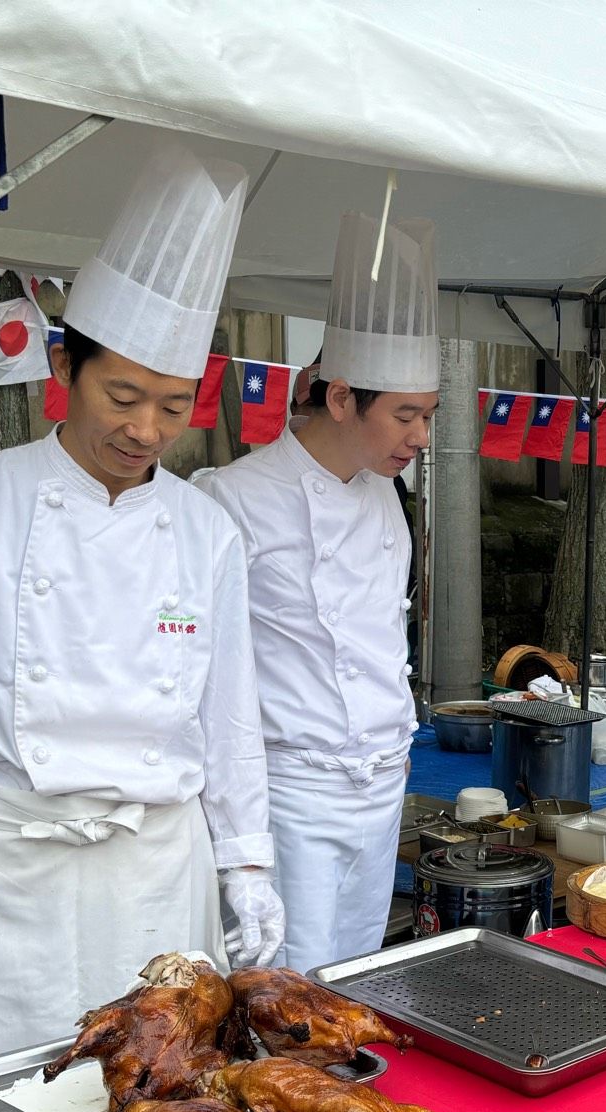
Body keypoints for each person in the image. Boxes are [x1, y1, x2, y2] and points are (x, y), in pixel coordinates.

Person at [0, 147, 282, 1062]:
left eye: (173, 408)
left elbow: (229, 710)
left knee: (161, 1100)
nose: (145, 431)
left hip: (161, 868)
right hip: (12, 868)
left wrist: (247, 863)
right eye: (122, 396)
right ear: (64, 364)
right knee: (18, 1100)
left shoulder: (205, 528)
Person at [195, 213, 434, 969]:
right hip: (289, 788)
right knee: (284, 992)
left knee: (357, 978)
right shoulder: (231, 499)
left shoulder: (386, 495)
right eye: (406, 415)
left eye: (429, 415)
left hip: (381, 778)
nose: (421, 435)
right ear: (340, 399)